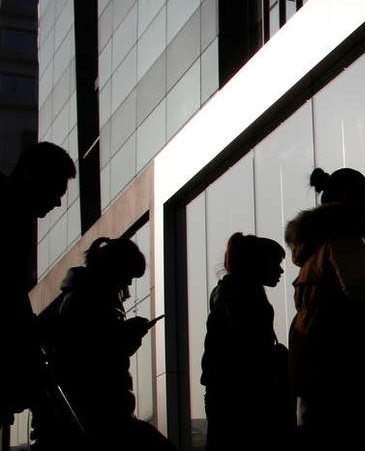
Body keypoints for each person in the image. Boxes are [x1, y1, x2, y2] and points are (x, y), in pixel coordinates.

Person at [285, 167, 365, 450]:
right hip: (343, 368)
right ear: (347, 197)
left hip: (313, 371)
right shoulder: (344, 236)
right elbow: (360, 290)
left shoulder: (311, 254)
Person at [36, 237, 173, 451]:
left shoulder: (88, 299)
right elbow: (91, 357)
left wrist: (125, 335)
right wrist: (127, 335)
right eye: (127, 277)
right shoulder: (84, 302)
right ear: (114, 271)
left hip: (103, 416)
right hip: (98, 418)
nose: (128, 285)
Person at [0, 142, 75, 426]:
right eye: (56, 190)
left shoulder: (15, 214)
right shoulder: (11, 215)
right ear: (32, 174)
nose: (58, 202)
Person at [201, 233, 288, 451]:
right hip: (242, 398)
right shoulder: (245, 298)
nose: (280, 271)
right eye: (276, 264)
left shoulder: (227, 293)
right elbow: (250, 353)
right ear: (258, 264)